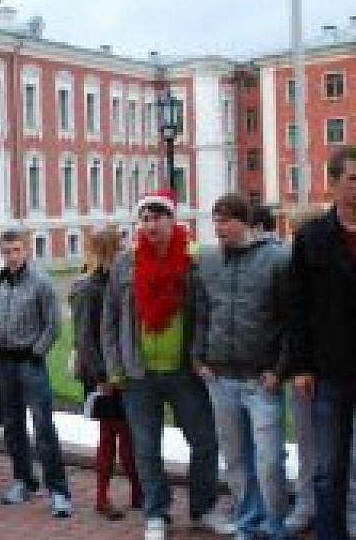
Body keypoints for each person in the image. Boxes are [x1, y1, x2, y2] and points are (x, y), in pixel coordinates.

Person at [102, 189, 232, 540]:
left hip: (185, 371)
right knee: (146, 447)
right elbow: (110, 318)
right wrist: (115, 366)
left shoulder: (193, 260)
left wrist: (201, 355)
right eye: (144, 218)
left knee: (204, 441)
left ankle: (202, 508)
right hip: (138, 373)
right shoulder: (125, 263)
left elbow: (206, 312)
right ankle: (156, 513)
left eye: (158, 216)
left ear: (173, 220)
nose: (150, 224)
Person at [192, 194, 291, 540]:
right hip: (220, 378)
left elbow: (290, 322)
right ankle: (248, 523)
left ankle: (275, 525)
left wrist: (279, 370)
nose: (219, 227)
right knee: (236, 460)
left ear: (245, 222)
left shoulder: (278, 260)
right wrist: (199, 357)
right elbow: (201, 314)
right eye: (215, 220)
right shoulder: (207, 261)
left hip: (262, 380)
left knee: (268, 461)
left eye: (226, 220)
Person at [288, 146, 356, 539]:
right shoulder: (311, 237)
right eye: (353, 179)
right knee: (329, 468)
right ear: (333, 183)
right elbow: (297, 307)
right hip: (329, 372)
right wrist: (300, 366)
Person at [0, 229, 72, 518]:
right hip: (4, 363)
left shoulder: (41, 281)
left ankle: (58, 490)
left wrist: (36, 352)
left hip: (30, 363)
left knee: (43, 427)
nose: (11, 256)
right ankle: (23, 480)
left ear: (26, 251)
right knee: (12, 426)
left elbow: (53, 325)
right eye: (6, 251)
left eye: (16, 250)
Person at [249, 204, 315, 535]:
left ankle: (311, 506)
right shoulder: (292, 270)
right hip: (304, 370)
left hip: (328, 369)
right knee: (307, 442)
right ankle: (307, 505)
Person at [71, 227, 142, 520]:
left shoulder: (117, 283)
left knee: (127, 436)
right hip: (103, 375)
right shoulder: (88, 288)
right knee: (112, 436)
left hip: (121, 371)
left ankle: (137, 492)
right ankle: (103, 497)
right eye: (121, 246)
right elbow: (84, 338)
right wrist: (102, 376)